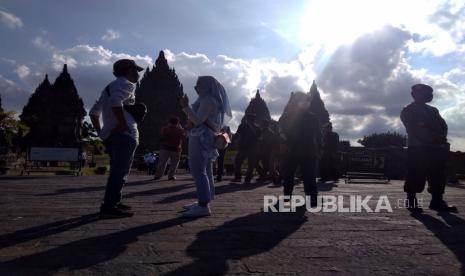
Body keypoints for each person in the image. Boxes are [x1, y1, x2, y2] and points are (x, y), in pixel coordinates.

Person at [89, 59, 143, 218]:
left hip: (113, 136)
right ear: (128, 70)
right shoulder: (126, 84)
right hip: (124, 135)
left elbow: (93, 113)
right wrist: (122, 124)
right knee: (120, 172)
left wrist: (102, 132)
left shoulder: (109, 87)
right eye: (136, 70)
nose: (137, 74)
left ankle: (114, 201)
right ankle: (109, 206)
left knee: (119, 170)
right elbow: (115, 101)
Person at [179, 76, 232, 217]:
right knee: (206, 170)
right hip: (205, 136)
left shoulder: (208, 100)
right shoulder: (207, 99)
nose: (196, 87)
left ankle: (203, 205)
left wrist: (185, 106)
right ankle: (204, 200)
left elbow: (197, 120)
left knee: (198, 170)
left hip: (201, 136)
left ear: (208, 86)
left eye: (200, 84)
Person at [400, 83, 457, 213]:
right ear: (416, 94)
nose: (429, 95)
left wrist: (441, 138)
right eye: (426, 93)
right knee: (416, 173)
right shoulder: (409, 110)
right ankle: (411, 200)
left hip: (436, 148)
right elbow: (414, 128)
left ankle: (437, 201)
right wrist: (432, 138)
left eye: (430, 93)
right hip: (418, 148)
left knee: (438, 175)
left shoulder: (433, 110)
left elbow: (443, 125)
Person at [279, 92, 322, 207]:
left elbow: (318, 135)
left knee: (306, 175)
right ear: (297, 102)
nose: (307, 103)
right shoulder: (288, 117)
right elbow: (280, 131)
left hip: (304, 150)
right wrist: (284, 142)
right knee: (294, 174)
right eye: (304, 101)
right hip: (296, 150)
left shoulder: (311, 118)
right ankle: (291, 195)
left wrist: (319, 148)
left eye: (308, 101)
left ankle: (308, 197)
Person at [233, 113, 261, 184]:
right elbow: (260, 138)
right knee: (251, 164)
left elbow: (238, 135)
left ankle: (238, 177)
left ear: (247, 119)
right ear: (254, 119)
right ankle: (248, 178)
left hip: (243, 147)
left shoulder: (242, 126)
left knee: (238, 162)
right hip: (253, 148)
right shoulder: (257, 127)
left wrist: (237, 144)